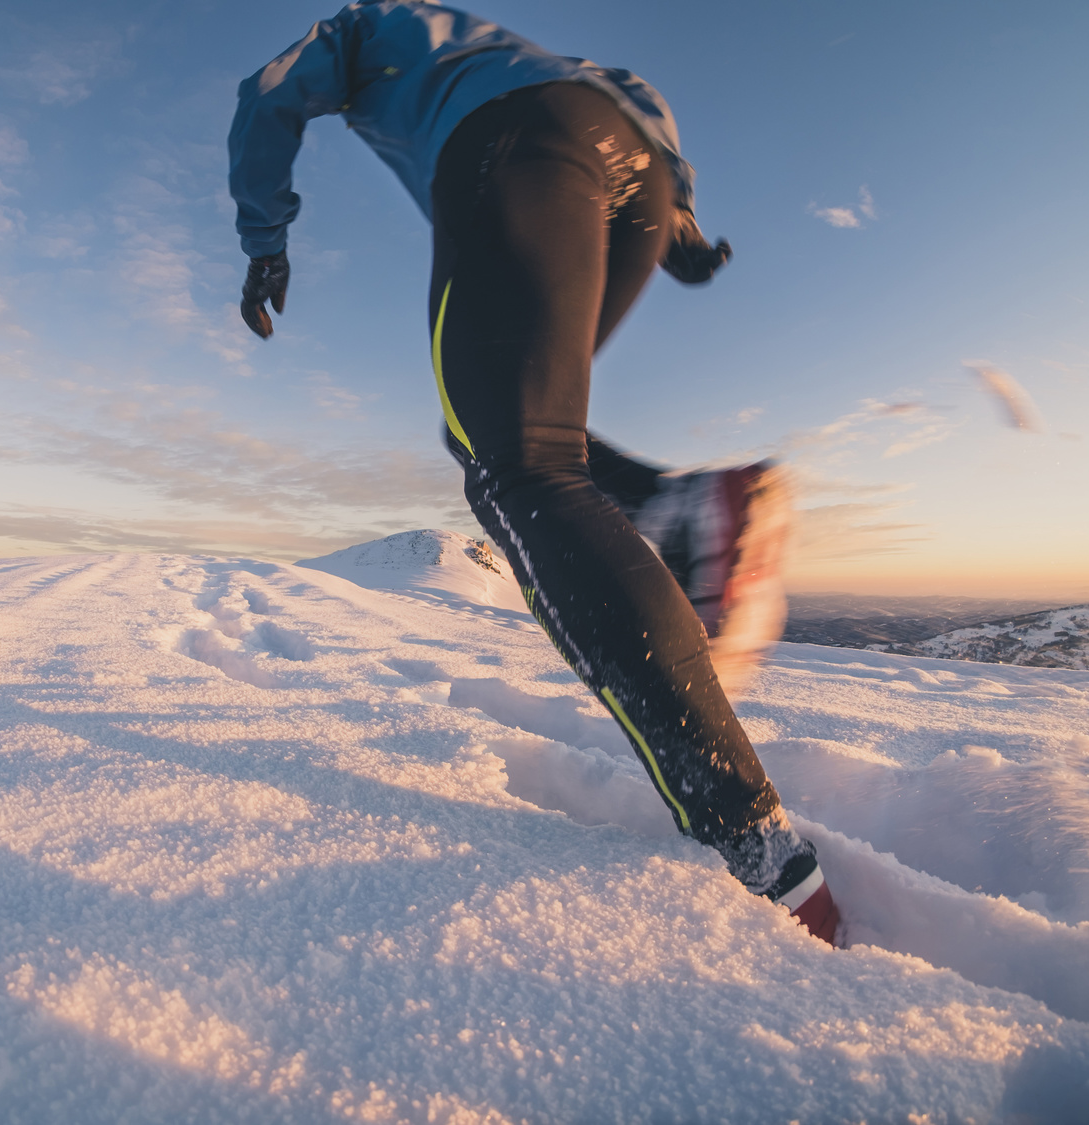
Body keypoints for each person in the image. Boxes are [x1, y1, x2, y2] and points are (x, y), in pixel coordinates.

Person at [227, 0, 840, 944]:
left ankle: (757, 850)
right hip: (628, 161)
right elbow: (626, 90)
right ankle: (683, 509)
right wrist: (675, 218)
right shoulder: (504, 42)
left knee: (520, 468)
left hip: (508, 151)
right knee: (500, 433)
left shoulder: (364, 25)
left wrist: (264, 241)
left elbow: (266, 95)